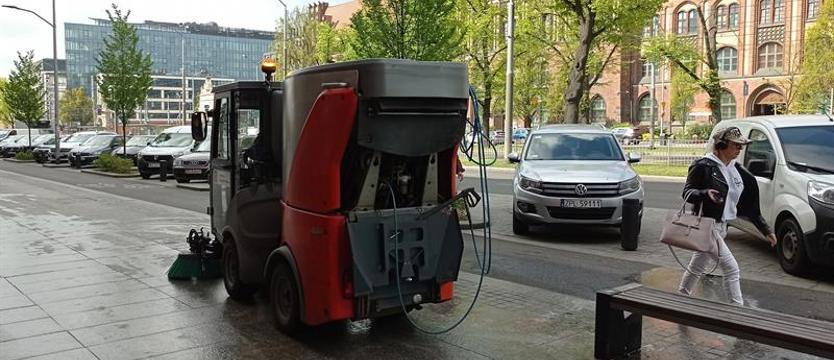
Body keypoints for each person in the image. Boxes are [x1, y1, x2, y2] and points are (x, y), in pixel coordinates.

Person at [678, 126, 777, 306]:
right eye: (736, 145)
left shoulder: (737, 170)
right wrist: (704, 193)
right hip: (708, 225)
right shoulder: (703, 166)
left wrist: (765, 229)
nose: (740, 149)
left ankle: (681, 298)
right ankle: (737, 312)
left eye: (741, 146)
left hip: (722, 226)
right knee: (731, 269)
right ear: (722, 145)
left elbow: (749, 206)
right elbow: (686, 193)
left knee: (697, 266)